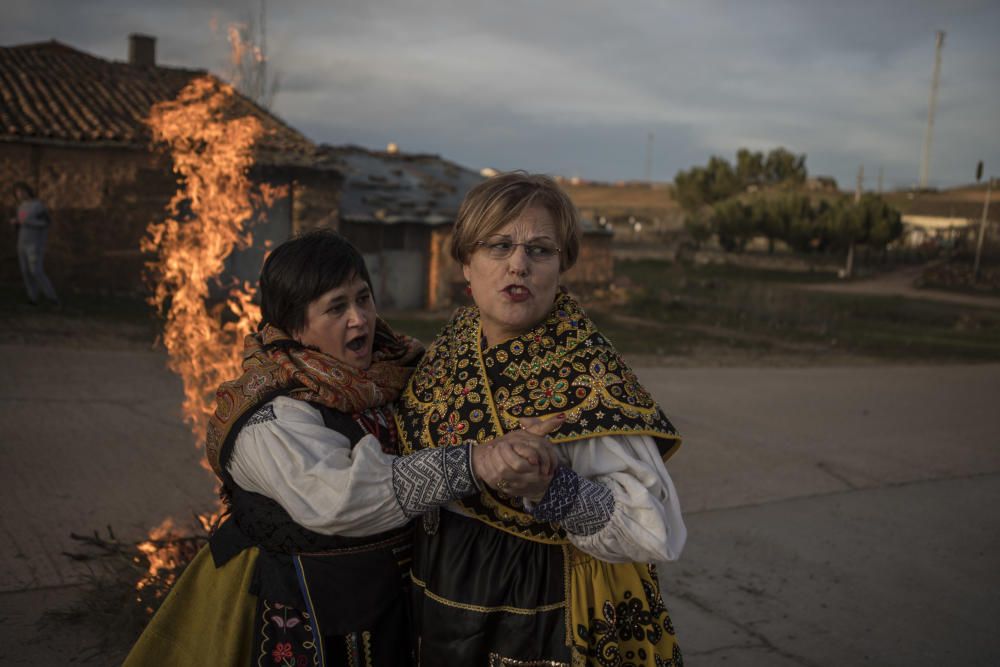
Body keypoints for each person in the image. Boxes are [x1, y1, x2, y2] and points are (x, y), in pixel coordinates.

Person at [125, 230, 555, 666]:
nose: (360, 319)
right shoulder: (269, 419)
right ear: (293, 328)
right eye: (336, 307)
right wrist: (475, 462)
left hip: (393, 608)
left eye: (363, 298)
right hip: (305, 617)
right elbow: (342, 499)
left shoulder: (394, 374)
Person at [395, 172, 687, 665]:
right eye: (498, 246)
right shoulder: (450, 348)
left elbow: (651, 529)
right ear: (466, 262)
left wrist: (550, 489)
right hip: (434, 591)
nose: (518, 264)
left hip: (535, 611)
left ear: (561, 266)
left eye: (540, 250)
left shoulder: (585, 376)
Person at [9, 182, 59, 305]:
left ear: (28, 191)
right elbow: (22, 224)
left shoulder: (38, 206)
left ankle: (51, 297)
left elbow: (46, 223)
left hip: (35, 244)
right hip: (22, 243)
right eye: (17, 192)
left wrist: (28, 222)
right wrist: (16, 223)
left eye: (22, 191)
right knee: (25, 271)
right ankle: (33, 297)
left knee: (36, 270)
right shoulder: (21, 207)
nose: (20, 194)